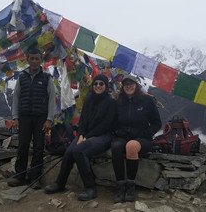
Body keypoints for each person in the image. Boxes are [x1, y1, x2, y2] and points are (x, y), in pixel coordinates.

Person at [44, 74, 116, 201]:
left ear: (106, 86)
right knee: (69, 152)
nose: (98, 86)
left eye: (101, 84)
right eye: (95, 84)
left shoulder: (111, 102)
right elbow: (82, 121)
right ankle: (60, 183)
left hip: (104, 136)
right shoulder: (89, 99)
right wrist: (81, 134)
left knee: (79, 150)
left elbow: (106, 125)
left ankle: (90, 188)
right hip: (86, 135)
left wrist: (87, 136)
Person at [7, 47, 56, 189]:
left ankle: (35, 177)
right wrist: (15, 117)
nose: (34, 61)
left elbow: (52, 99)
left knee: (39, 147)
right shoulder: (21, 77)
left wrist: (49, 119)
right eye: (32, 58)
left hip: (41, 118)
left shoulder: (47, 78)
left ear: (41, 60)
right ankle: (19, 176)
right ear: (27, 59)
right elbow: (16, 97)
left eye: (37, 59)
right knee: (22, 146)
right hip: (24, 117)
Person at [112, 74, 162, 203]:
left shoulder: (147, 100)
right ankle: (120, 185)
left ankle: (130, 186)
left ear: (136, 85)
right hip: (122, 136)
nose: (128, 86)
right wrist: (117, 131)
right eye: (126, 84)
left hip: (142, 138)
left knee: (131, 146)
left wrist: (146, 133)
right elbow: (113, 121)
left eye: (131, 84)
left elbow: (157, 123)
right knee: (116, 147)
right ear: (122, 87)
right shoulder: (118, 101)